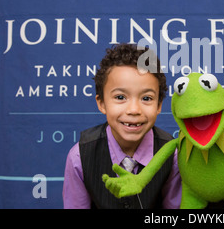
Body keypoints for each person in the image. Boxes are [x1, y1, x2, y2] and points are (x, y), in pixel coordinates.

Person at [63, 44, 181, 209]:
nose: (134, 110)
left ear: (159, 105)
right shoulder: (79, 157)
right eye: (120, 97)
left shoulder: (172, 156)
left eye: (146, 98)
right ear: (102, 103)